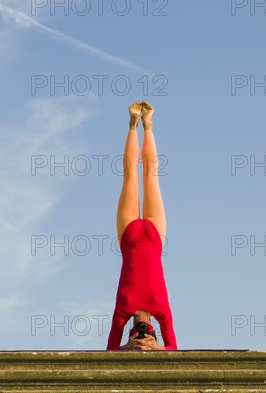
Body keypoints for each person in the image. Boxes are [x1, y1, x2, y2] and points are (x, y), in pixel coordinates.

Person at [106, 101, 177, 351]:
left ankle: (132, 126)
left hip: (129, 234)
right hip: (155, 235)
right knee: (151, 175)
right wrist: (157, 348)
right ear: (153, 329)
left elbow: (109, 350)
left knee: (130, 176)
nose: (142, 328)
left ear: (131, 329)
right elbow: (174, 348)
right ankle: (148, 127)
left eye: (137, 331)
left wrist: (127, 347)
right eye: (146, 330)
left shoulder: (122, 311)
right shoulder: (161, 309)